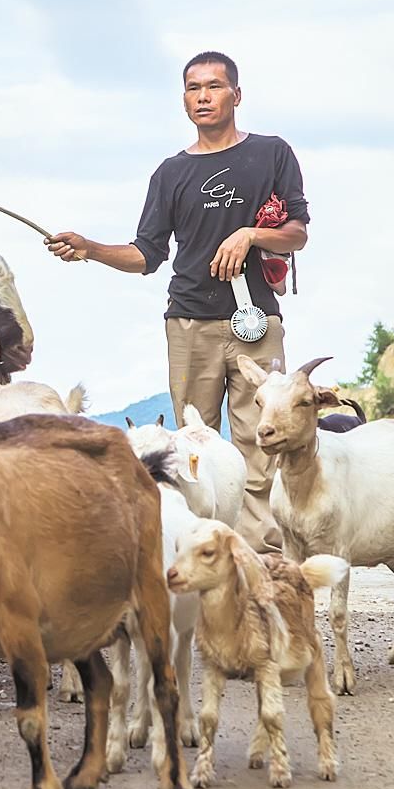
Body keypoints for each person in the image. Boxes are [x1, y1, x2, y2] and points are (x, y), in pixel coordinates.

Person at [46, 51, 309, 552]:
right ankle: (195, 555)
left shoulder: (272, 154)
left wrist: (250, 235)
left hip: (255, 321)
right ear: (184, 99)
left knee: (262, 441)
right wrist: (91, 249)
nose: (203, 96)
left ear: (236, 94)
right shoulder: (170, 174)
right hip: (188, 323)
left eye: (214, 86)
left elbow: (296, 234)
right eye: (193, 88)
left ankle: (263, 564)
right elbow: (147, 255)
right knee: (194, 444)